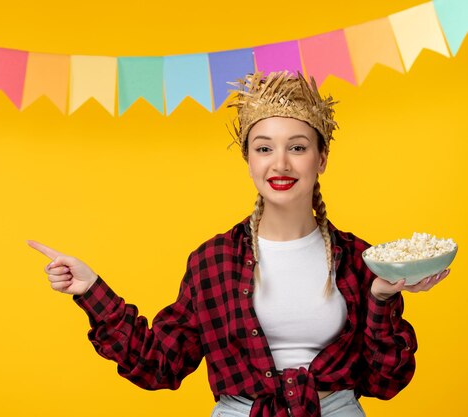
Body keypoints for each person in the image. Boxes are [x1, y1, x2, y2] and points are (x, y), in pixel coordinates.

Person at [27, 71, 450, 417]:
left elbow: (386, 381)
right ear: (248, 159)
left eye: (297, 148)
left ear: (321, 158)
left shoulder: (362, 260)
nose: (280, 163)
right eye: (264, 148)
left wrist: (381, 297)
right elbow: (159, 364)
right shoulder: (212, 261)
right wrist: (91, 290)